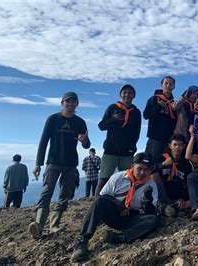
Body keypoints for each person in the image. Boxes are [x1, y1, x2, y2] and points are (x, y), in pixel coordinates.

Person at [71, 153, 159, 262]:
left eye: (146, 170)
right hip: (116, 214)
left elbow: (151, 212)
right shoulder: (118, 177)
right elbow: (102, 196)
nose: (142, 173)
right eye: (139, 168)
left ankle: (120, 237)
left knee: (154, 220)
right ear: (132, 165)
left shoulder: (151, 185)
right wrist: (120, 206)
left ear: (151, 170)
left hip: (133, 218)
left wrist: (149, 200)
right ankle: (82, 241)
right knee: (99, 201)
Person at [29, 92, 90, 238]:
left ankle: (54, 225)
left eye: (73, 102)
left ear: (77, 104)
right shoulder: (53, 119)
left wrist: (85, 141)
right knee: (47, 191)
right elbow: (43, 142)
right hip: (53, 162)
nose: (70, 104)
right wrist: (38, 163)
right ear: (62, 103)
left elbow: (87, 145)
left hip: (70, 163)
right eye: (67, 101)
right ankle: (39, 224)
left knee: (64, 194)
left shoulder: (80, 122)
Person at [95, 84, 141, 195]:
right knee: (104, 179)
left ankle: (124, 205)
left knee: (127, 180)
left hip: (127, 153)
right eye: (124, 92)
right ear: (120, 95)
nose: (127, 95)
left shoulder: (136, 112)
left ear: (134, 95)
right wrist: (113, 119)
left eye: (130, 93)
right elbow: (101, 126)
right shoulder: (112, 108)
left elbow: (137, 133)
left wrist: (132, 148)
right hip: (110, 151)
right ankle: (96, 204)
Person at [153, 134, 194, 216]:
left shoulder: (187, 164)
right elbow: (148, 170)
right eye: (175, 144)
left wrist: (182, 198)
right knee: (154, 175)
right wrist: (163, 164)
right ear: (170, 145)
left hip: (177, 197)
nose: (177, 147)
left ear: (184, 146)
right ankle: (159, 205)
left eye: (180, 145)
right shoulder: (161, 158)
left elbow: (188, 183)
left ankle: (174, 208)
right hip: (162, 194)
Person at [143, 76, 178, 160]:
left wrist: (176, 110)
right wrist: (158, 106)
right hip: (155, 138)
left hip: (168, 140)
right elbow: (146, 115)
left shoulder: (174, 103)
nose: (168, 86)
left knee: (166, 165)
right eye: (166, 83)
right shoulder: (154, 99)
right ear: (161, 85)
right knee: (151, 163)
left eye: (171, 84)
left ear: (174, 87)